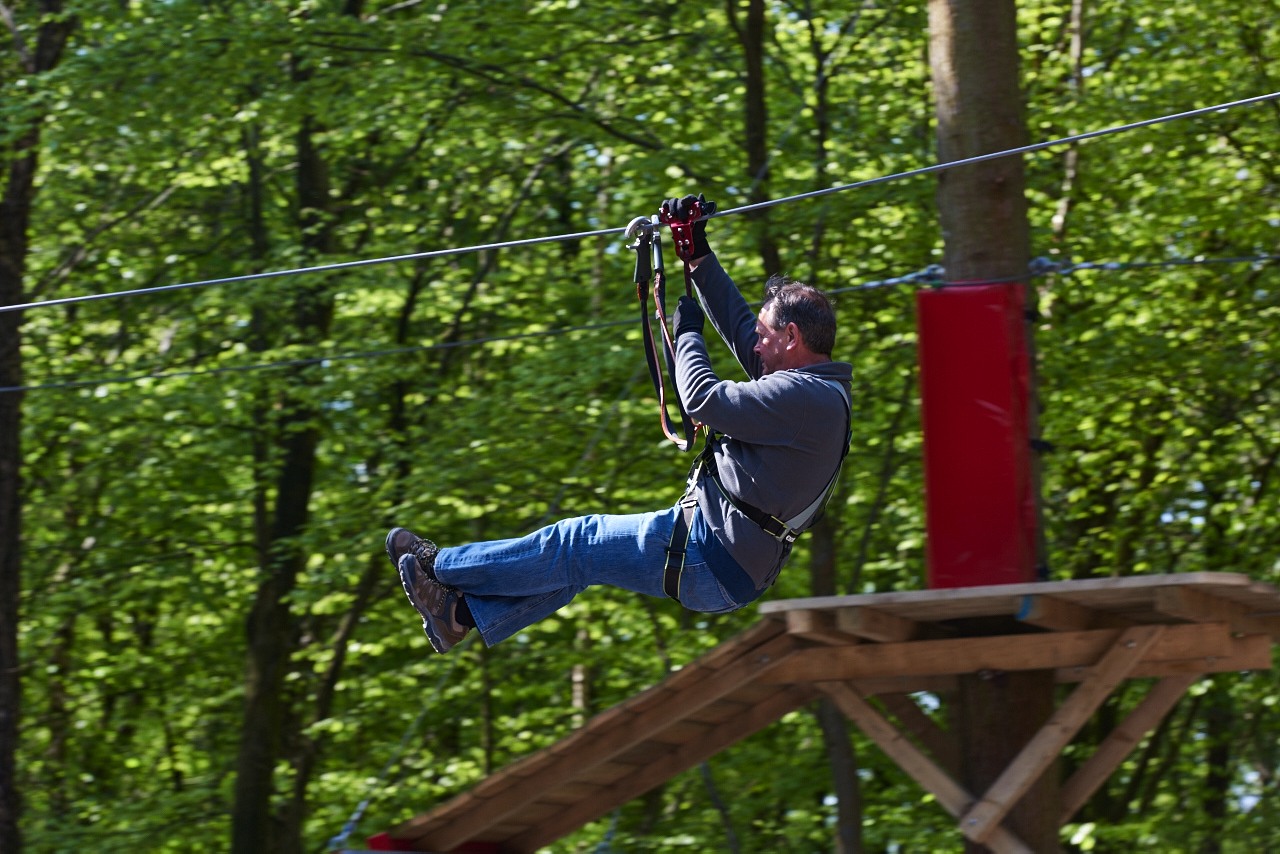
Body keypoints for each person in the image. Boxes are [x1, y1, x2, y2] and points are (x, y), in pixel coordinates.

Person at [385, 194, 854, 653]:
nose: (754, 344)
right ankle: (459, 616)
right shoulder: (814, 394)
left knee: (577, 541)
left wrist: (688, 334)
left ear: (791, 337)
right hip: (725, 561)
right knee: (578, 562)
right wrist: (696, 253)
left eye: (764, 335)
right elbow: (737, 324)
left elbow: (701, 399)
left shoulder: (805, 399)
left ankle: (440, 567)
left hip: (711, 554)